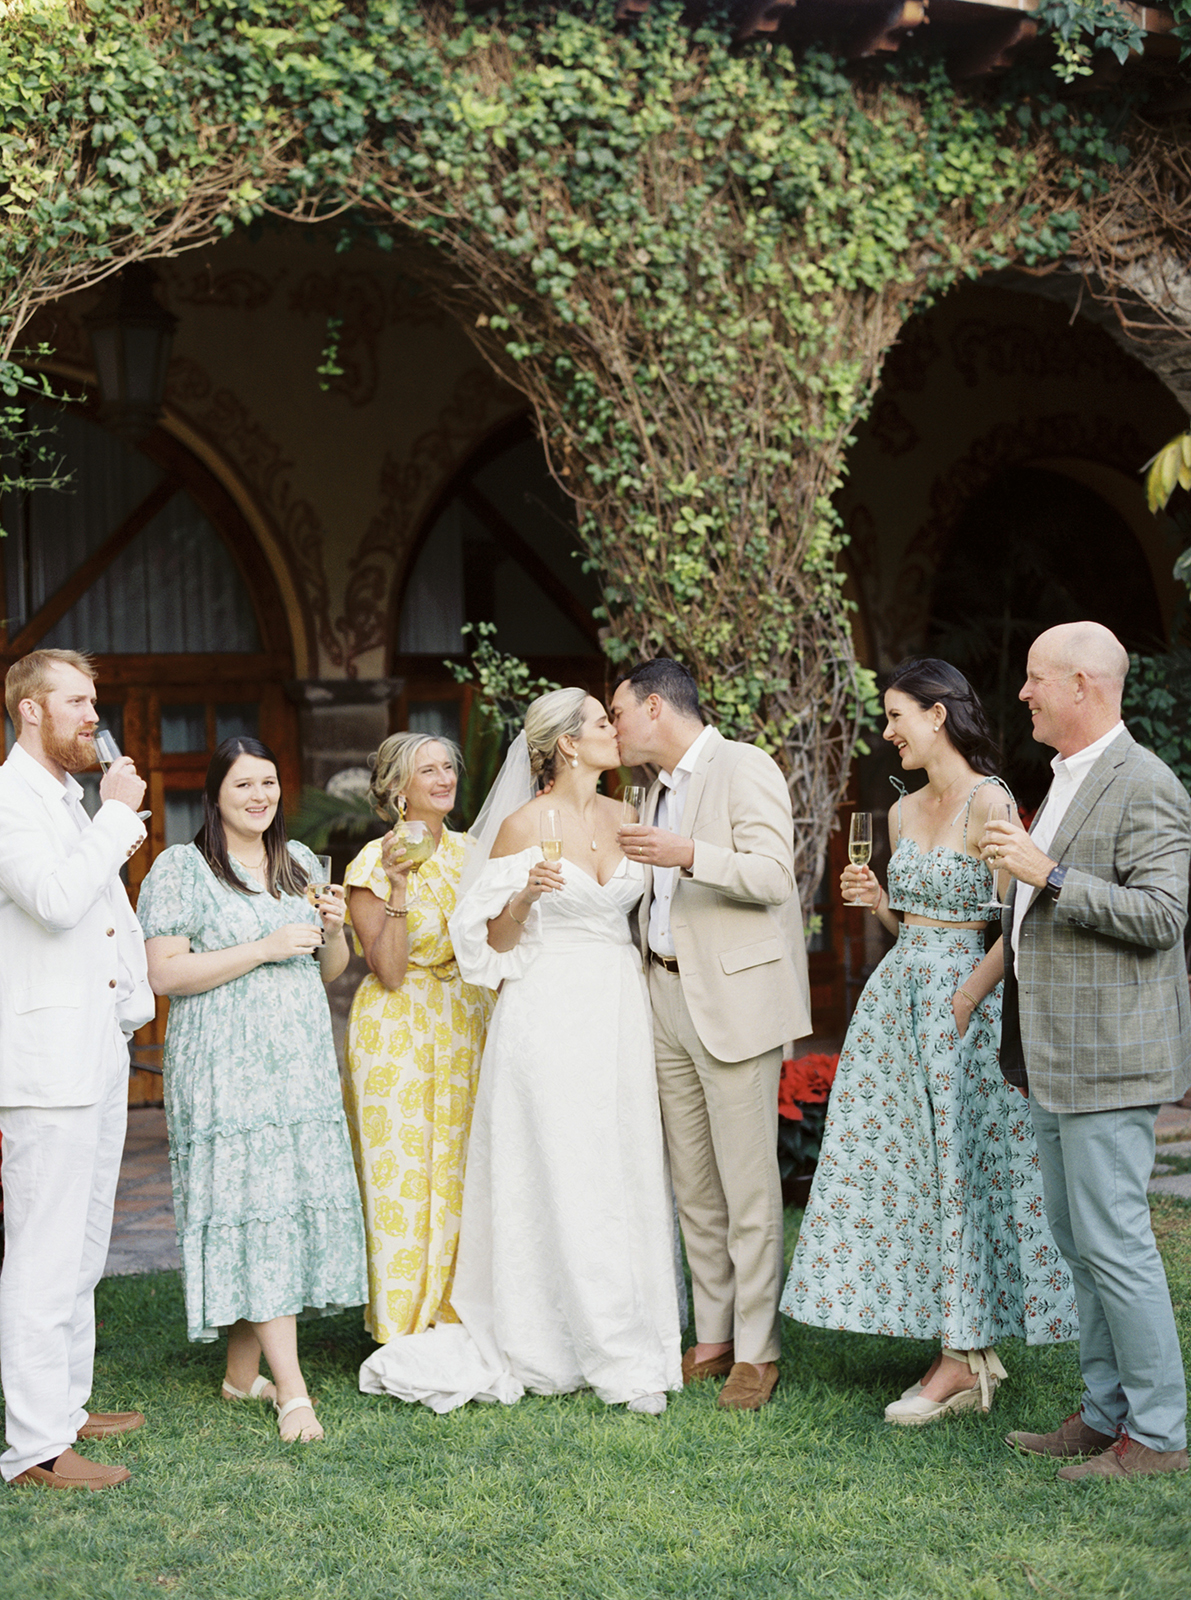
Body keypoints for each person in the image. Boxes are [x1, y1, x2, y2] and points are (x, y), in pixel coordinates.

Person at [358, 688, 682, 1414]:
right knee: (563, 1166)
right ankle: (580, 1345)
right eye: (601, 723)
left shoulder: (627, 816)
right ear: (567, 743)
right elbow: (491, 946)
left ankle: (634, 1333)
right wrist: (525, 899)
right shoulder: (517, 827)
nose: (613, 730)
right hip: (545, 1008)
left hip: (616, 1006)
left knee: (617, 1163)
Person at [780, 658, 1076, 1423]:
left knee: (961, 1170)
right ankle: (957, 1340)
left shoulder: (991, 800)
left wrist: (965, 999)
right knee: (908, 1172)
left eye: (895, 717)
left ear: (936, 715)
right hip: (897, 998)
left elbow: (1014, 926)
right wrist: (880, 902)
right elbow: (909, 927)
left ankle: (959, 1361)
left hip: (964, 1007)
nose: (888, 733)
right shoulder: (902, 810)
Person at [984, 622, 1190, 1479]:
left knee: (1115, 1245)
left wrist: (1049, 875)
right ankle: (1106, 1411)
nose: (1023, 693)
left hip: (1108, 1060)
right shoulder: (1066, 777)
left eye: (1036, 680)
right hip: (1052, 1057)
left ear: (1081, 685)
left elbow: (1161, 916)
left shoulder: (1144, 782)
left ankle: (1159, 1436)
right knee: (1078, 1244)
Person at [138, 736, 367, 1444]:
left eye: (268, 783)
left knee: (273, 1205)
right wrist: (263, 947)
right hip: (224, 1064)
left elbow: (325, 968)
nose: (260, 796)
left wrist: (333, 930)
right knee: (254, 1203)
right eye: (244, 785)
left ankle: (243, 1377)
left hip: (295, 1061)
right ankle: (292, 1393)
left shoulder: (295, 862)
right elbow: (165, 975)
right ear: (215, 795)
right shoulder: (181, 869)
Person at [610, 658, 812, 1411]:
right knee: (693, 1186)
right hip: (661, 992)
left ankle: (759, 1351)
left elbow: (772, 876)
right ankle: (714, 1335)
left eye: (619, 711)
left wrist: (689, 855)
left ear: (655, 707)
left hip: (733, 1002)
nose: (615, 725)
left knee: (749, 1186)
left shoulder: (742, 765)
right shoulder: (650, 790)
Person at [0, 649, 155, 1491]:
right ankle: (34, 1447)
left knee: (86, 1241)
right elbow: (56, 901)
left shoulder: (69, 800)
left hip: (96, 1049)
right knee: (42, 1248)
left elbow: (101, 914)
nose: (93, 715)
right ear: (30, 710)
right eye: (77, 701)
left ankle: (65, 1403)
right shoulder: (7, 801)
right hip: (43, 1061)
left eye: (93, 700)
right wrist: (120, 816)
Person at [341, 732, 494, 1343]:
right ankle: (401, 1321)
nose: (443, 778)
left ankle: (460, 1308)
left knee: (463, 1165)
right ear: (397, 790)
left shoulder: (475, 853)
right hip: (396, 1027)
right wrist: (400, 886)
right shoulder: (369, 864)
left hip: (466, 1019)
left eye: (447, 767)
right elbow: (390, 970)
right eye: (425, 771)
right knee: (401, 1170)